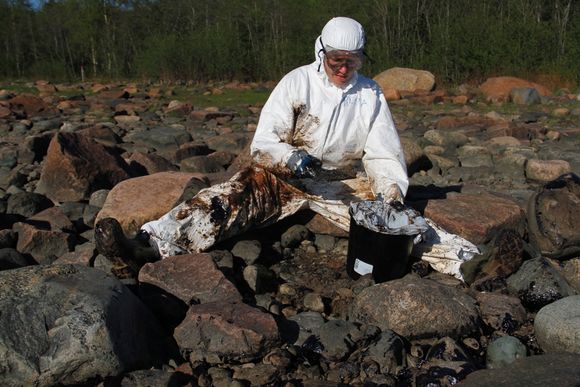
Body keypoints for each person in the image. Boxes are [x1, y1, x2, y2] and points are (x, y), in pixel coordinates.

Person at [96, 17, 410, 264]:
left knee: (400, 225)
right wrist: (290, 158)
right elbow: (263, 142)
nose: (343, 69)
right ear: (321, 52)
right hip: (283, 179)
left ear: (361, 58)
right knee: (226, 198)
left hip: (339, 185)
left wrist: (390, 194)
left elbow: (384, 153)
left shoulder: (370, 93)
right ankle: (147, 245)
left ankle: (459, 262)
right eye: (336, 61)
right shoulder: (297, 83)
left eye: (351, 62)